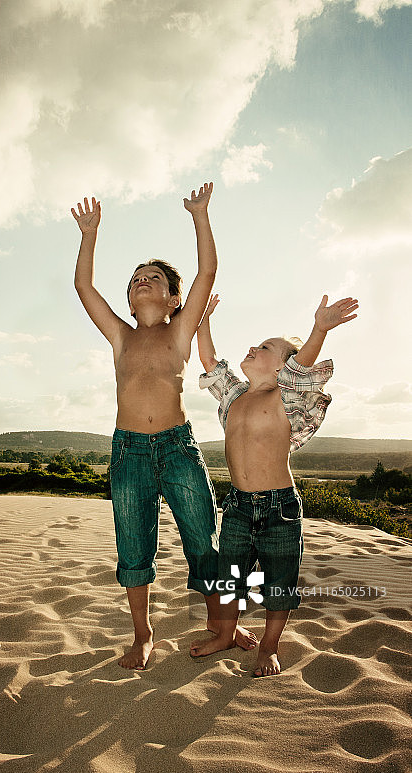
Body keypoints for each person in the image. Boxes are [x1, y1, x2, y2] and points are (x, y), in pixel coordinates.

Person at [71, 183, 257, 670]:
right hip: (128, 452)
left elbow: (207, 271)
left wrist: (200, 215)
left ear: (175, 300)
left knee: (203, 539)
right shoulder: (120, 334)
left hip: (178, 449)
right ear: (129, 303)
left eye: (153, 277)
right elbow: (84, 288)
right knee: (132, 544)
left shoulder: (179, 332)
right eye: (135, 279)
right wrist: (90, 234)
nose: (141, 281)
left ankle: (226, 626)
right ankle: (142, 634)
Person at [191, 292, 358, 675]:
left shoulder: (285, 398)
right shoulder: (234, 396)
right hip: (237, 506)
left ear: (281, 368)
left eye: (265, 347)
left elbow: (301, 367)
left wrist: (319, 329)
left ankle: (269, 647)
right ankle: (226, 634)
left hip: (279, 507)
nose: (252, 347)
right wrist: (203, 318)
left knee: (278, 583)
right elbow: (208, 360)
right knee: (229, 577)